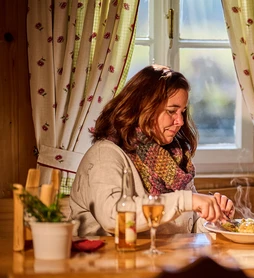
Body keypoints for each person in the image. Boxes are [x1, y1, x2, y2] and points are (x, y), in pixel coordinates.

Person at [70, 64, 235, 237]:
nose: (180, 121)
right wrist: (187, 200)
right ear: (143, 107)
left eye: (183, 112)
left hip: (162, 260)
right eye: (172, 111)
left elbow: (188, 227)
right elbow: (114, 218)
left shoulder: (174, 158)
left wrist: (213, 219)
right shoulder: (104, 154)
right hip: (107, 260)